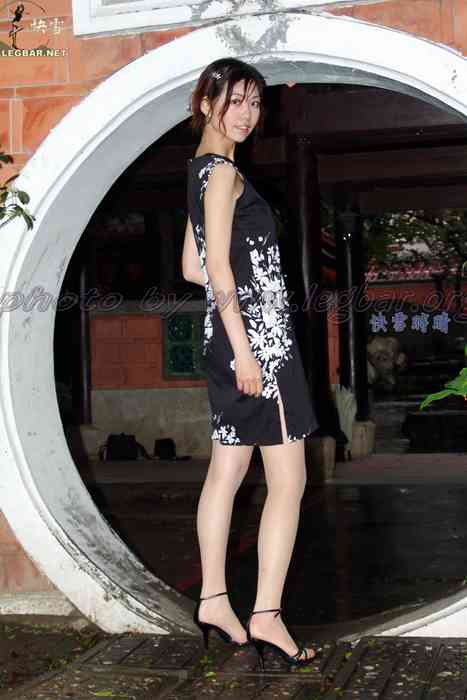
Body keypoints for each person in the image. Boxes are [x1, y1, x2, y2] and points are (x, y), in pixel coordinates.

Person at [183, 58, 320, 670]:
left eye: (255, 102)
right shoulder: (222, 173)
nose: (246, 113)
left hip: (230, 337)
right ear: (205, 103)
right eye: (234, 100)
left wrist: (234, 332)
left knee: (228, 470)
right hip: (258, 343)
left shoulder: (201, 170)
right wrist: (247, 349)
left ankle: (214, 600)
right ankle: (265, 615)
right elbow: (214, 269)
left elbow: (192, 265)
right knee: (289, 480)